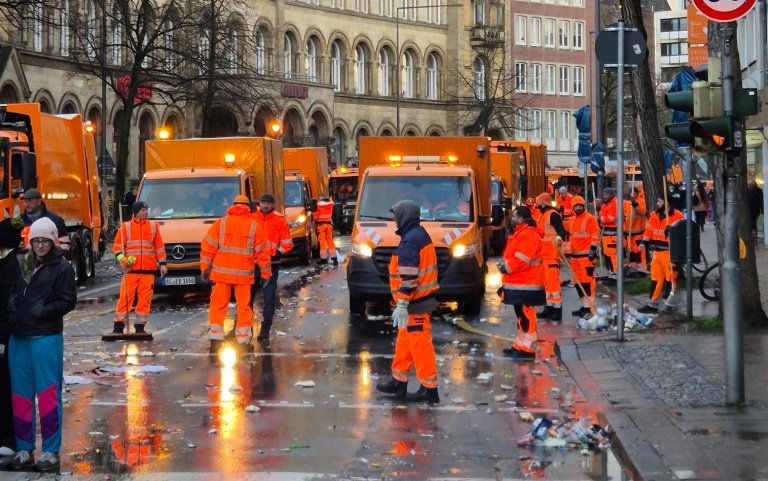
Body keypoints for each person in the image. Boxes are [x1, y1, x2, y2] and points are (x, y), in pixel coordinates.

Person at [7, 217, 76, 471]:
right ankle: (24, 448)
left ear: (52, 241)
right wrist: (14, 309)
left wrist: (41, 311)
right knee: (21, 396)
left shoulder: (62, 268)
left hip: (46, 337)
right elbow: (13, 291)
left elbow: (68, 301)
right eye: (35, 240)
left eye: (44, 240)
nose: (39, 245)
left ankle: (50, 451)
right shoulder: (22, 263)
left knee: (48, 396)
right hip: (20, 338)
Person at [376, 200, 440, 403]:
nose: (394, 220)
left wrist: (402, 303)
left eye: (396, 215)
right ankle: (398, 381)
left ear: (404, 217)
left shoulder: (410, 241)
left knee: (420, 345)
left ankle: (429, 389)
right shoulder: (417, 235)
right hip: (418, 301)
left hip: (415, 303)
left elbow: (410, 279)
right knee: (406, 341)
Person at [202, 196, 271, 353]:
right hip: (243, 276)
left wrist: (205, 268)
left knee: (218, 306)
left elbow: (208, 246)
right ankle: (243, 341)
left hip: (221, 274)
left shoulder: (221, 223)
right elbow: (263, 253)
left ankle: (215, 339)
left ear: (233, 207)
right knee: (244, 307)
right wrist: (266, 274)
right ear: (249, 208)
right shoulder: (254, 226)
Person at [498, 206, 546, 360]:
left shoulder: (528, 235)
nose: (512, 218)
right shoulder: (521, 233)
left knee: (526, 314)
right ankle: (521, 345)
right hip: (520, 282)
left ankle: (528, 349)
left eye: (514, 216)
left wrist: (506, 268)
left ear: (520, 218)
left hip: (526, 283)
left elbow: (522, 260)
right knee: (521, 315)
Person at [112, 201, 168, 334]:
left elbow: (159, 247)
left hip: (148, 271)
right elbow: (117, 248)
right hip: (131, 270)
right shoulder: (125, 227)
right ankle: (118, 326)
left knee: (145, 300)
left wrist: (163, 264)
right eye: (143, 210)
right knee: (125, 299)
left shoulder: (153, 227)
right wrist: (122, 260)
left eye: (146, 210)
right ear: (136, 213)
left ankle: (140, 327)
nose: (145, 212)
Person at [252, 193, 293, 342]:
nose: (265, 205)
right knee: (246, 299)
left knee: (269, 299)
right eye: (263, 202)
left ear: (273, 205)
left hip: (271, 265)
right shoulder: (252, 219)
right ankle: (242, 327)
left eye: (268, 203)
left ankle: (265, 329)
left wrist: (279, 252)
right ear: (259, 203)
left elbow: (288, 242)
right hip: (254, 266)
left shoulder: (279, 220)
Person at [0, 218, 23, 467]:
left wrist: (3, 338)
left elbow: (9, 307)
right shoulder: (10, 263)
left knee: (5, 388)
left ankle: (9, 437)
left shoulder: (9, 266)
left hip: (4, 337)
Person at [638, 199, 684, 313]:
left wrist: (672, 230)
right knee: (656, 278)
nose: (657, 203)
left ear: (667, 203)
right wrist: (643, 242)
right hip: (657, 252)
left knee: (670, 279)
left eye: (660, 201)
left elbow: (683, 233)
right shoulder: (654, 215)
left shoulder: (678, 215)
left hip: (670, 253)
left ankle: (670, 304)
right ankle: (653, 303)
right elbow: (648, 231)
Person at [565, 196, 600, 318]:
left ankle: (590, 307)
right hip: (575, 257)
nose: (578, 208)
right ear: (573, 207)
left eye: (580, 205)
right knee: (578, 283)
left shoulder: (590, 219)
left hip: (586, 257)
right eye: (576, 206)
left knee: (587, 283)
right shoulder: (572, 220)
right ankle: (584, 306)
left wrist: (593, 249)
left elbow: (595, 234)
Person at [535, 193, 567, 321]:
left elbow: (561, 230)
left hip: (552, 255)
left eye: (538, 202)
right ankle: (549, 307)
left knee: (553, 284)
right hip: (544, 255)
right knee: (547, 284)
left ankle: (557, 309)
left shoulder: (552, 214)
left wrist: (559, 238)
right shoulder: (543, 215)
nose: (537, 204)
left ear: (543, 203)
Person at [624, 186, 647, 276]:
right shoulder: (626, 203)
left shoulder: (641, 201)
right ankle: (633, 269)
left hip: (638, 231)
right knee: (632, 251)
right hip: (629, 231)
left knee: (639, 251)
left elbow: (642, 212)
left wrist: (635, 205)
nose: (632, 194)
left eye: (634, 193)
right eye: (631, 193)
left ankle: (642, 270)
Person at [315, 195, 338, 266]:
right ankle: (334, 259)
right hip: (329, 225)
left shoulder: (319, 206)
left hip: (321, 226)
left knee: (322, 242)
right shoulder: (330, 205)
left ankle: (324, 259)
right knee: (330, 241)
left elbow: (315, 217)